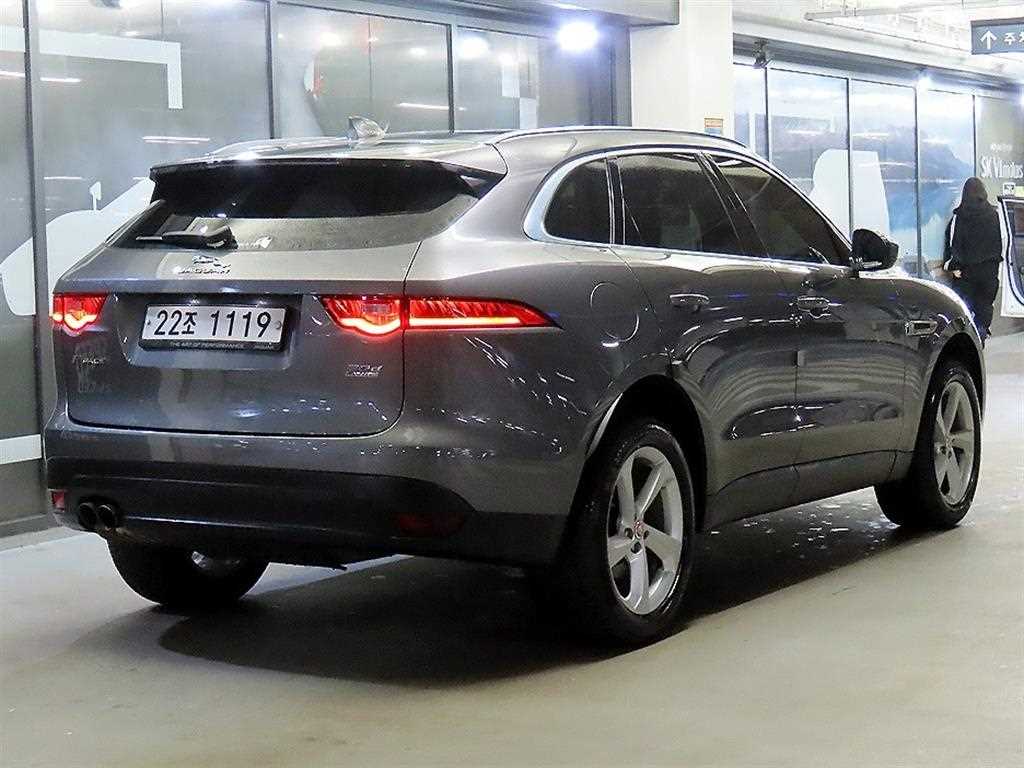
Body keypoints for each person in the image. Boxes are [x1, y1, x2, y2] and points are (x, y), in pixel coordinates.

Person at [943, 177, 1003, 343]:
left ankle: (967, 340)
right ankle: (981, 335)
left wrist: (953, 266)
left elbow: (953, 242)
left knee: (963, 309)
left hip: (966, 273)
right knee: (985, 306)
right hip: (988, 273)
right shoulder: (994, 215)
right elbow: (1002, 242)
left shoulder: (959, 216)